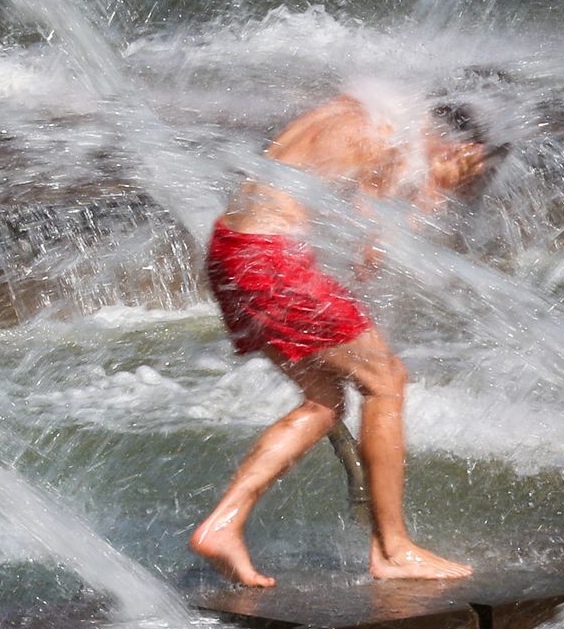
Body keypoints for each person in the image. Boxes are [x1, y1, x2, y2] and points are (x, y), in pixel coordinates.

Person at [190, 93, 497, 588]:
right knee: (387, 380)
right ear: (448, 145)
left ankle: (222, 526)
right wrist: (435, 192)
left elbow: (355, 232)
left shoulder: (354, 107)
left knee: (325, 400)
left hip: (232, 252)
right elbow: (375, 247)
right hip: (270, 261)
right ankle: (393, 549)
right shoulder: (386, 137)